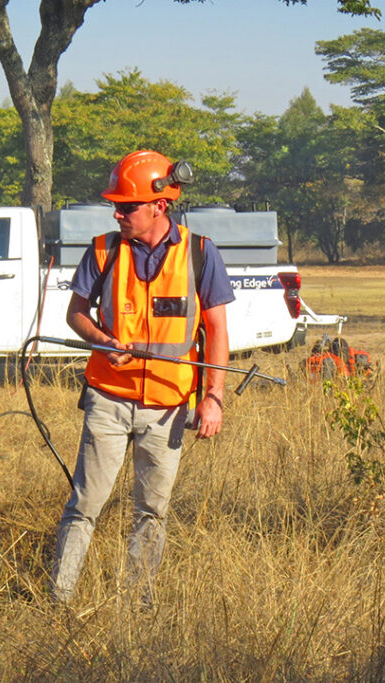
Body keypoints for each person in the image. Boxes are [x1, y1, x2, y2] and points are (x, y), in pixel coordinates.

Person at [50, 150, 235, 606]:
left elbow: (218, 332)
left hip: (168, 408)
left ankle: (138, 604)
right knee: (84, 506)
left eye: (127, 205)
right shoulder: (103, 249)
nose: (118, 213)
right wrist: (102, 338)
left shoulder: (199, 252)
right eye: (116, 205)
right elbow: (75, 314)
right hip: (108, 400)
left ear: (160, 204)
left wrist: (213, 398)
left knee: (152, 511)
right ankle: (58, 599)